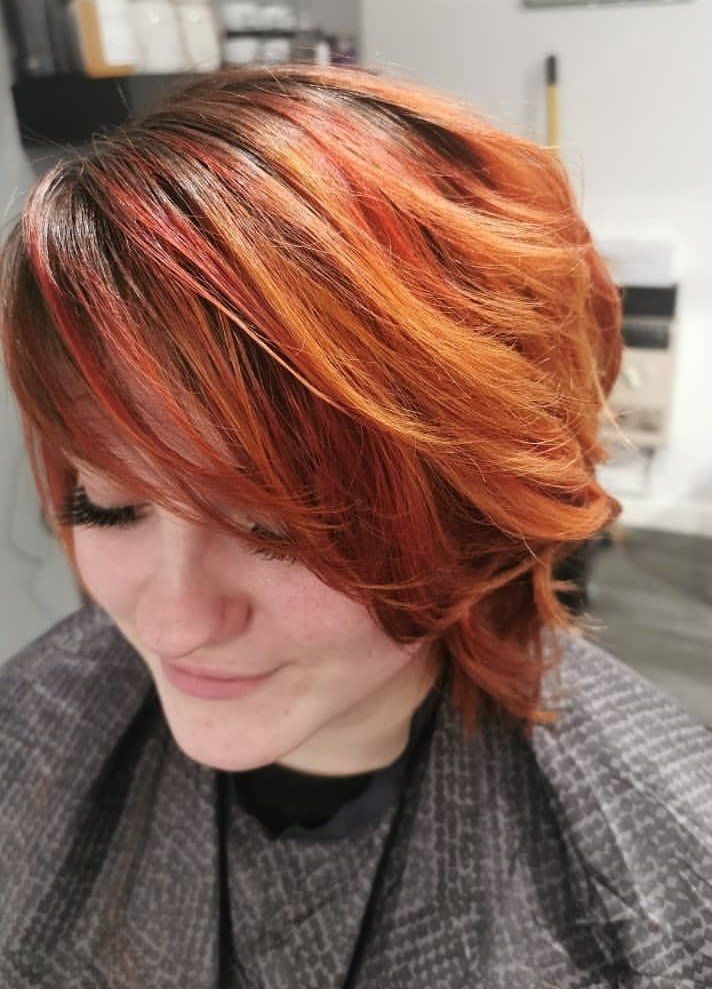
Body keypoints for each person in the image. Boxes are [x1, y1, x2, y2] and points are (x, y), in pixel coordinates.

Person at [0, 64, 710, 989]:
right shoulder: (29, 739)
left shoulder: (669, 891)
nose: (174, 622)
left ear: (477, 499)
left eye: (280, 526)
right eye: (108, 502)